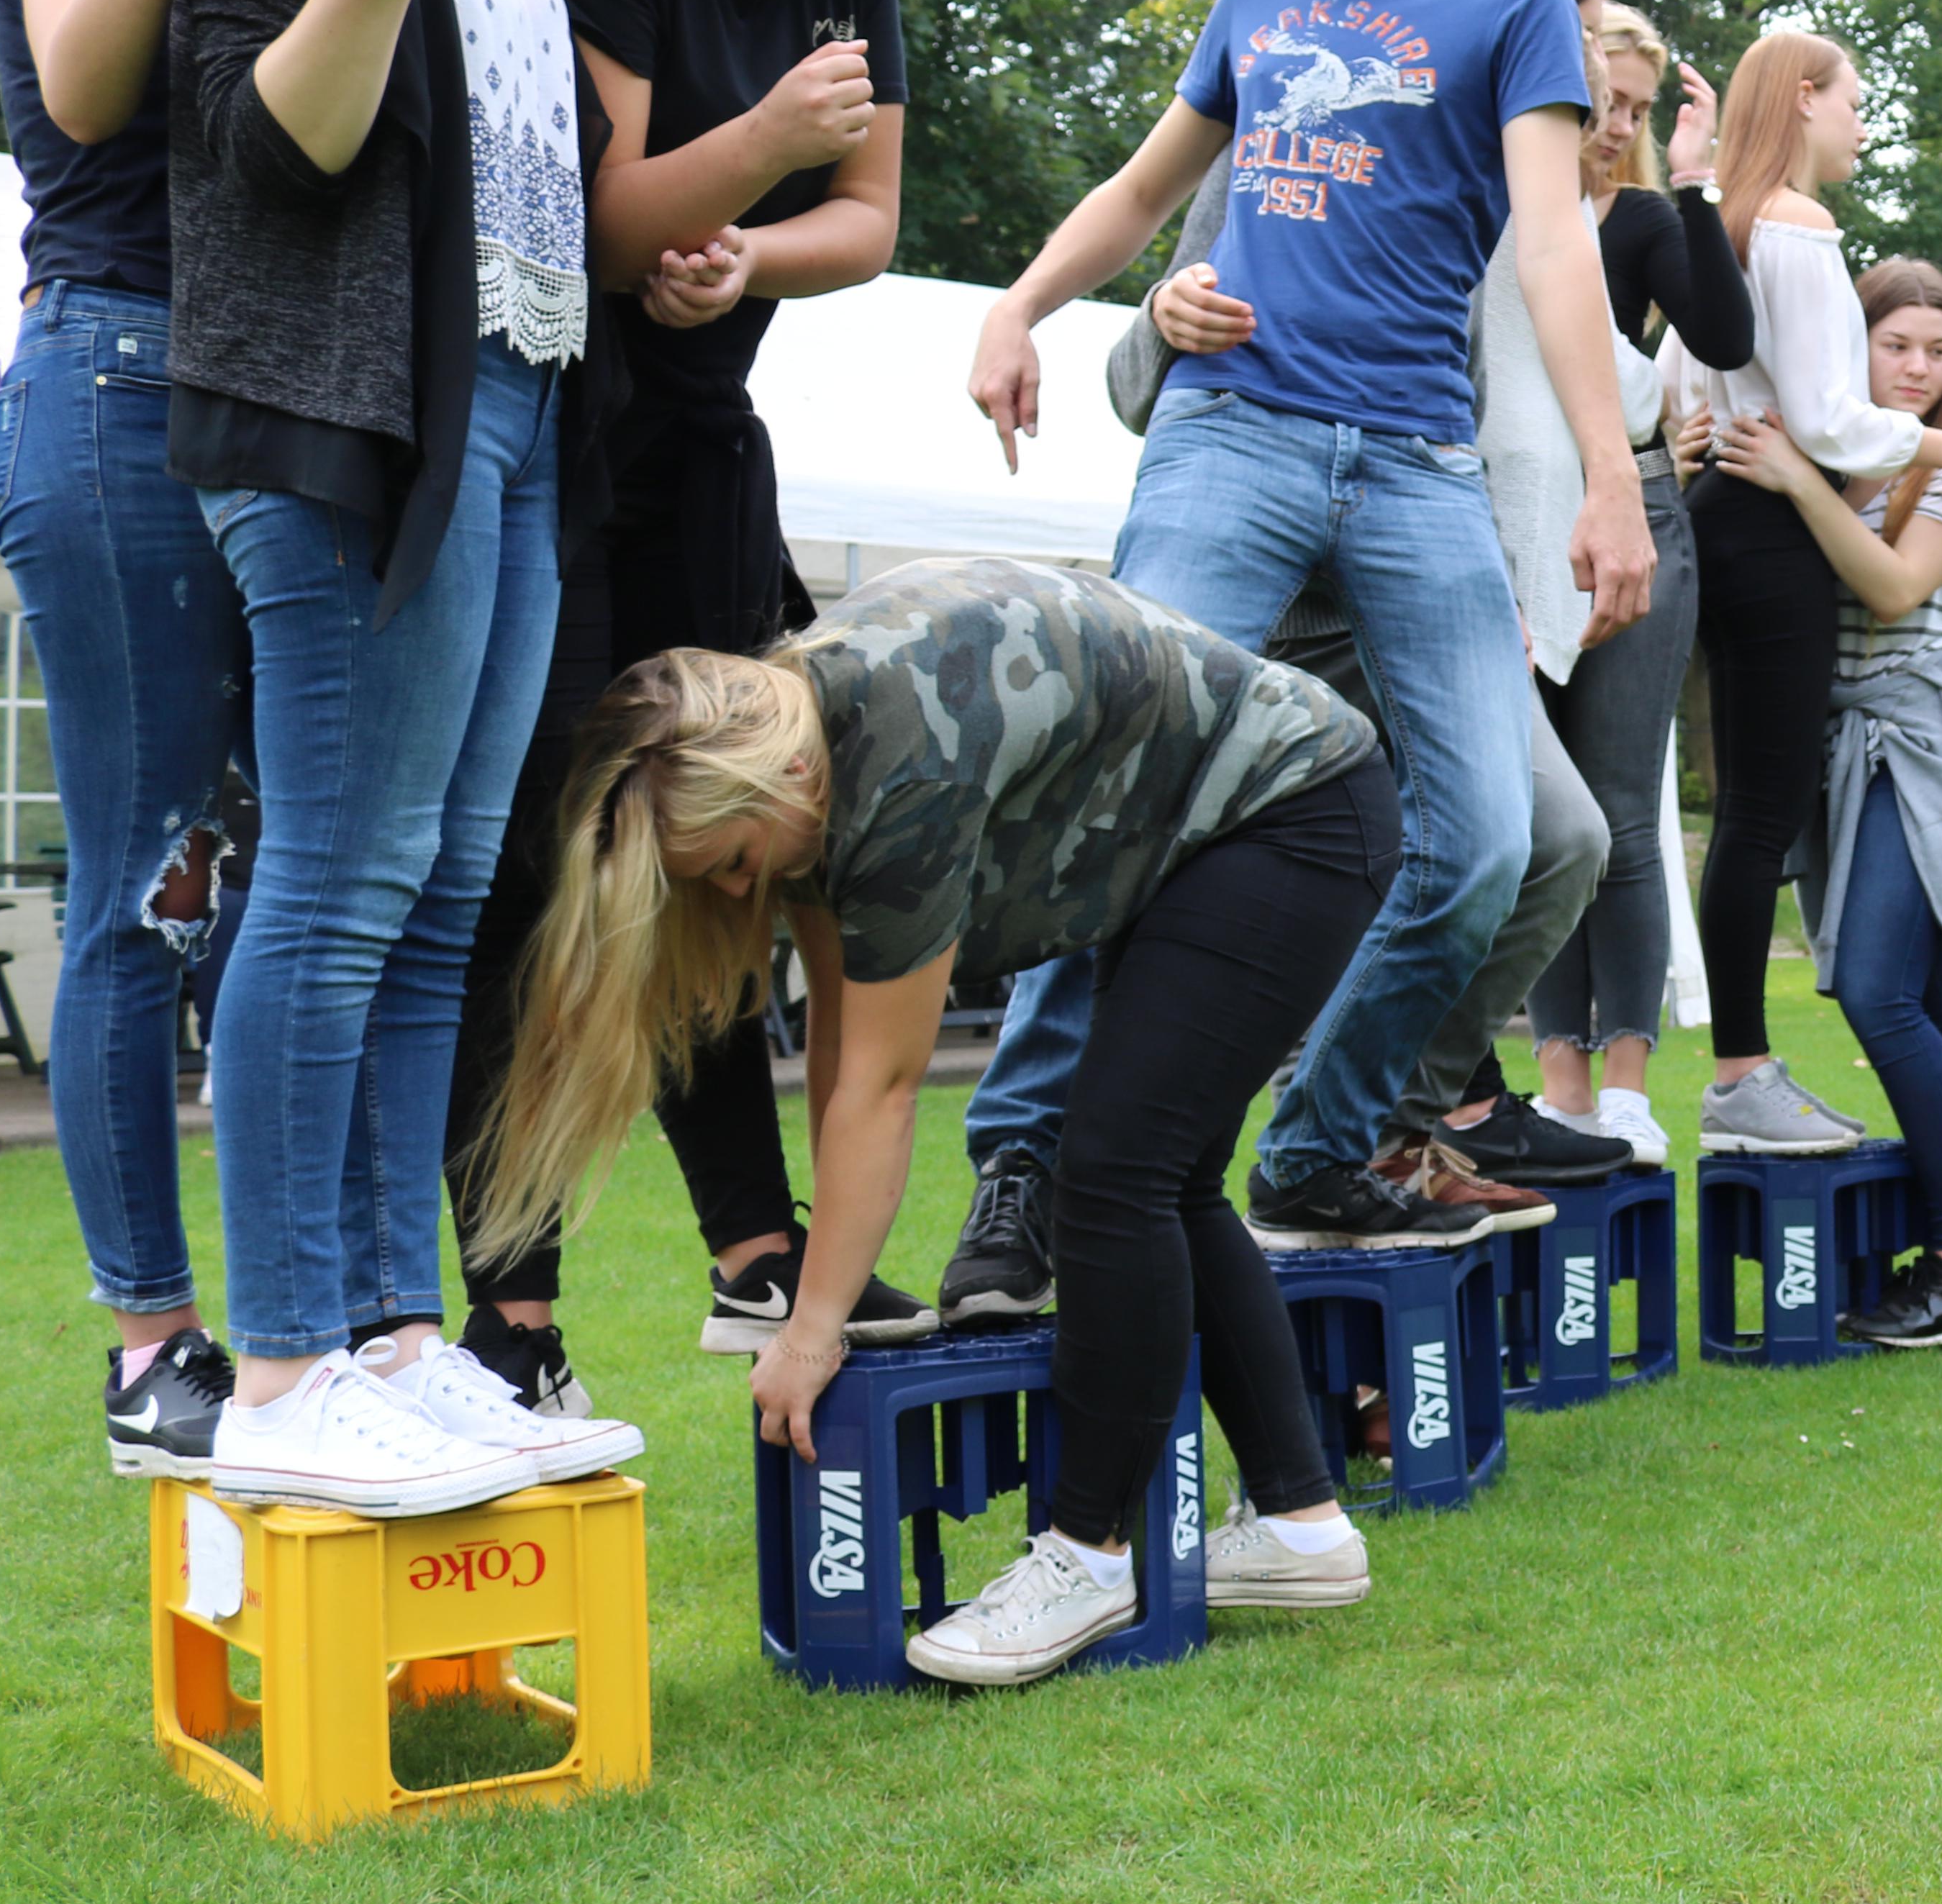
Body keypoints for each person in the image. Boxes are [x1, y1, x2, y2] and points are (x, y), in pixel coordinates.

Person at [953, 0, 1652, 1257]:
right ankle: (1025, 1166)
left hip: (1417, 463)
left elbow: (1555, 247)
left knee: (1492, 842)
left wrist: (1611, 480)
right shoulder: (1259, 0)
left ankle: (1324, 1140)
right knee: (1125, 774)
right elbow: (1144, 189)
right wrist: (1019, 306)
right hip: (1235, 434)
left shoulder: (1511, 13)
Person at [158, 0, 680, 1515]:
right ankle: (286, 1370)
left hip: (516, 418)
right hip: (359, 435)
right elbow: (267, 150)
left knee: (446, 890)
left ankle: (393, 1338)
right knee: (342, 879)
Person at [471, 561, 1393, 1682]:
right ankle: (1303, 1529)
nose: (735, 894)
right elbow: (839, 1038)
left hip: (1293, 809)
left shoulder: (900, 763)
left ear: (781, 776)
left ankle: (1088, 1555)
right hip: (1221, 833)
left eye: (736, 863)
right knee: (1165, 1175)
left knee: (1112, 1172)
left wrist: (812, 1332)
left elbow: (884, 1085)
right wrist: (829, 1289)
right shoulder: (807, 744)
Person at [432, 0, 979, 1400]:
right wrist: (753, 149)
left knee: (723, 846)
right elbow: (593, 220)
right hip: (557, 447)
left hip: (706, 454)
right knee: (538, 873)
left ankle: (757, 1248)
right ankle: (512, 1316)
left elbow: (867, 219)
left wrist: (750, 251)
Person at [0, 0, 320, 1477]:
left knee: (268, 878)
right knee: (148, 886)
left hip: (231, 398)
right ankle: (147, 1345)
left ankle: (291, 1318)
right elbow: (89, 91)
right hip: (113, 383)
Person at [1664, 31, 1942, 1155]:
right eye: (1856, 104)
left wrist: (1696, 443)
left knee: (1746, 813)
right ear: (1806, 99)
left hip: (1724, 517)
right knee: (1759, 817)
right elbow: (1826, 419)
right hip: (1771, 532)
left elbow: (1676, 389)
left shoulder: (1728, 222)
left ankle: (1741, 1072)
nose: (1863, 128)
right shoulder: (1799, 224)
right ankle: (1741, 1077)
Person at [1715, 260, 1942, 1346]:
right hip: (1853, 746)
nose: (1920, 369)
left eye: (1939, 350)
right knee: (1931, 1006)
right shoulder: (1841, 452)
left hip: (1927, 743)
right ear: (1854, 344)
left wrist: (1797, 483)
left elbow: (1893, 589)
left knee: (1877, 991)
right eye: (1898, 346)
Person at [1527, 0, 1751, 1166]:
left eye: (1637, 108)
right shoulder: (1503, 213)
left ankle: (1623, 1085)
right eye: (1603, 101)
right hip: (1519, 516)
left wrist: (1697, 184)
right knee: (1543, 819)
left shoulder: (1643, 217)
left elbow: (1723, 336)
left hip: (1638, 509)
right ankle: (1556, 1084)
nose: (1617, 125)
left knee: (1617, 812)